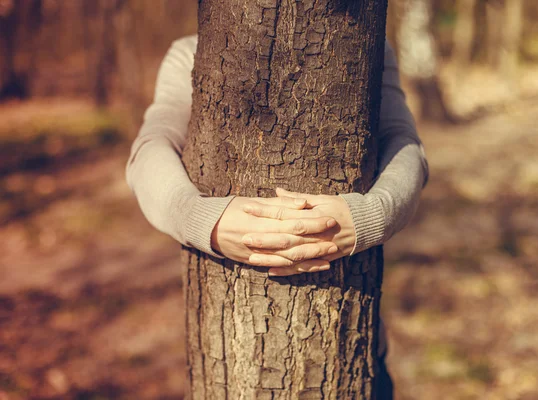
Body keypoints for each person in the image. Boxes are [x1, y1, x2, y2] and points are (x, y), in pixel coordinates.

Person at [126, 34, 428, 393]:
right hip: (227, 373)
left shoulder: (366, 40)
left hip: (359, 358)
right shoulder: (191, 51)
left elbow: (405, 144)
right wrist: (202, 220)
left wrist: (371, 216)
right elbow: (150, 147)